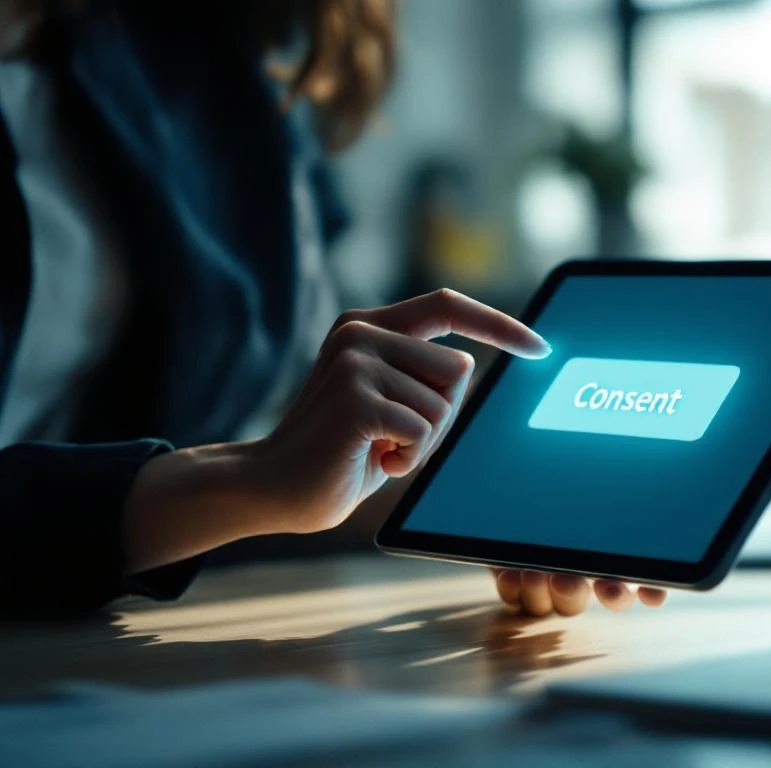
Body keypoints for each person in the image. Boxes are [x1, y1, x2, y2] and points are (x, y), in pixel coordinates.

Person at [0, 0, 667, 618]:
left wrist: (477, 509)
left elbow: (290, 476)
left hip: (146, 648)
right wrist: (244, 482)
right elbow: (256, 474)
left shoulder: (221, 69)